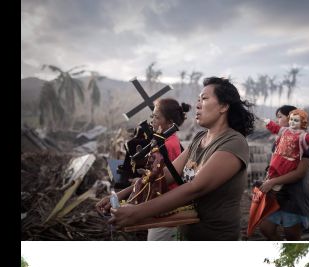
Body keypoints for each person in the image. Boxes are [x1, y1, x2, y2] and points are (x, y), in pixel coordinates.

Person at [99, 76, 255, 240]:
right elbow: (167, 174)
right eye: (198, 99)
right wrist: (120, 195)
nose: (197, 105)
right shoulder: (199, 138)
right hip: (187, 232)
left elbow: (196, 187)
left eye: (204, 99)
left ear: (223, 106)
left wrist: (137, 212)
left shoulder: (234, 142)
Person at [257, 105, 309, 241]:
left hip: (294, 195)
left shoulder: (303, 142)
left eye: (280, 117)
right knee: (266, 229)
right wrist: (265, 185)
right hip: (275, 192)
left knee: (292, 235)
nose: (277, 120)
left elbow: (299, 173)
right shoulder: (278, 141)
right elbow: (273, 166)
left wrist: (272, 182)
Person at [145, 98, 191, 241]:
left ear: (170, 122)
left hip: (167, 206)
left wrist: (144, 180)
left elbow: (163, 177)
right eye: (152, 116)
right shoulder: (167, 140)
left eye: (157, 117)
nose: (152, 120)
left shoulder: (167, 145)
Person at [263, 109, 309, 189]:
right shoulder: (284, 130)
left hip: (290, 159)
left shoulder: (302, 135)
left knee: (284, 172)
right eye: (291, 119)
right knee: (272, 169)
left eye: (296, 120)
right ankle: (269, 184)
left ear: (302, 123)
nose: (292, 122)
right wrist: (269, 123)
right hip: (279, 156)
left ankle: (275, 185)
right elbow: (276, 128)